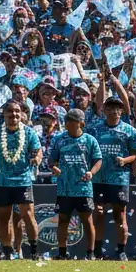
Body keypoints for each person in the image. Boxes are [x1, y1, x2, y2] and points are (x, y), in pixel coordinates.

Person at [0, 101, 43, 260]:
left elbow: (38, 151)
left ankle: (34, 251)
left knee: (28, 216)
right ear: (4, 114)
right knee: (4, 218)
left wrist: (37, 158)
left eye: (17, 111)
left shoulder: (29, 132)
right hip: (2, 182)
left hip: (23, 181)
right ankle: (8, 251)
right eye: (9, 111)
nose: (14, 114)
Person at [89, 94, 136, 262]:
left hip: (119, 178)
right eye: (110, 108)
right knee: (98, 213)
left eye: (118, 108)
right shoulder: (94, 129)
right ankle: (96, 250)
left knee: (120, 215)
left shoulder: (130, 130)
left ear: (122, 111)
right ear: (104, 110)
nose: (114, 111)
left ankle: (121, 251)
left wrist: (125, 160)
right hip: (98, 178)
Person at [48, 108, 103, 260]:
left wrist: (91, 172)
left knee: (87, 220)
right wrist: (53, 167)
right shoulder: (59, 139)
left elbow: (98, 160)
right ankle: (62, 253)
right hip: (64, 188)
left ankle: (90, 253)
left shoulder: (90, 140)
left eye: (72, 121)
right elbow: (51, 159)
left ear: (81, 123)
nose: (67, 123)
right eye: (67, 120)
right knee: (63, 220)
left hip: (83, 188)